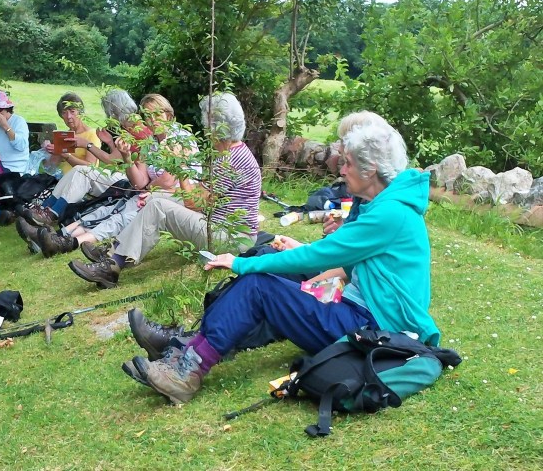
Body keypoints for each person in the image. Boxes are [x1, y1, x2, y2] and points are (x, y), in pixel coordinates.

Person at [128, 122, 441, 405]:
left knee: (259, 285)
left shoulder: (391, 214)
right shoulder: (382, 204)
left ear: (370, 169)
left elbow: (321, 254)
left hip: (372, 328)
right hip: (361, 310)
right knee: (268, 278)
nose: (341, 170)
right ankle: (185, 353)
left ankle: (187, 370)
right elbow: (343, 260)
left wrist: (239, 263)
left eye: (347, 163)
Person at [68, 92, 261, 289]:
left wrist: (181, 166)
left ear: (216, 126)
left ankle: (110, 268)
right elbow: (199, 198)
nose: (204, 128)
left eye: (207, 123)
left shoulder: (228, 161)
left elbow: (194, 204)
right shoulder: (231, 153)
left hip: (230, 238)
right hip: (225, 228)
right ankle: (114, 253)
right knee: (155, 198)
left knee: (157, 205)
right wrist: (153, 192)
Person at [19, 94, 199, 258]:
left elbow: (165, 180)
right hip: (146, 189)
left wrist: (88, 145)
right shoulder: (150, 140)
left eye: (157, 114)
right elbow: (139, 179)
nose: (152, 120)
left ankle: (62, 234)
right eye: (148, 116)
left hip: (176, 194)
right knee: (99, 194)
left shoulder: (171, 137)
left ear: (168, 114)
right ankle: (54, 231)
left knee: (116, 204)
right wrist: (125, 155)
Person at [20, 89, 146, 227]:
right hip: (125, 179)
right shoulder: (129, 128)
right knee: (78, 171)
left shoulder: (137, 130)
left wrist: (87, 145)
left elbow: (110, 160)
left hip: (132, 185)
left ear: (115, 110)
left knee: (82, 171)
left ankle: (51, 213)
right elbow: (116, 159)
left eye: (109, 112)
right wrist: (110, 142)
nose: (109, 117)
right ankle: (45, 208)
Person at [37, 92, 100, 175]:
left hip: (82, 182)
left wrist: (65, 155)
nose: (68, 116)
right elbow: (50, 167)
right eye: (64, 113)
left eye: (72, 111)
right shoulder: (64, 136)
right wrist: (48, 152)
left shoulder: (91, 134)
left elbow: (90, 167)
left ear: (80, 112)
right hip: (63, 180)